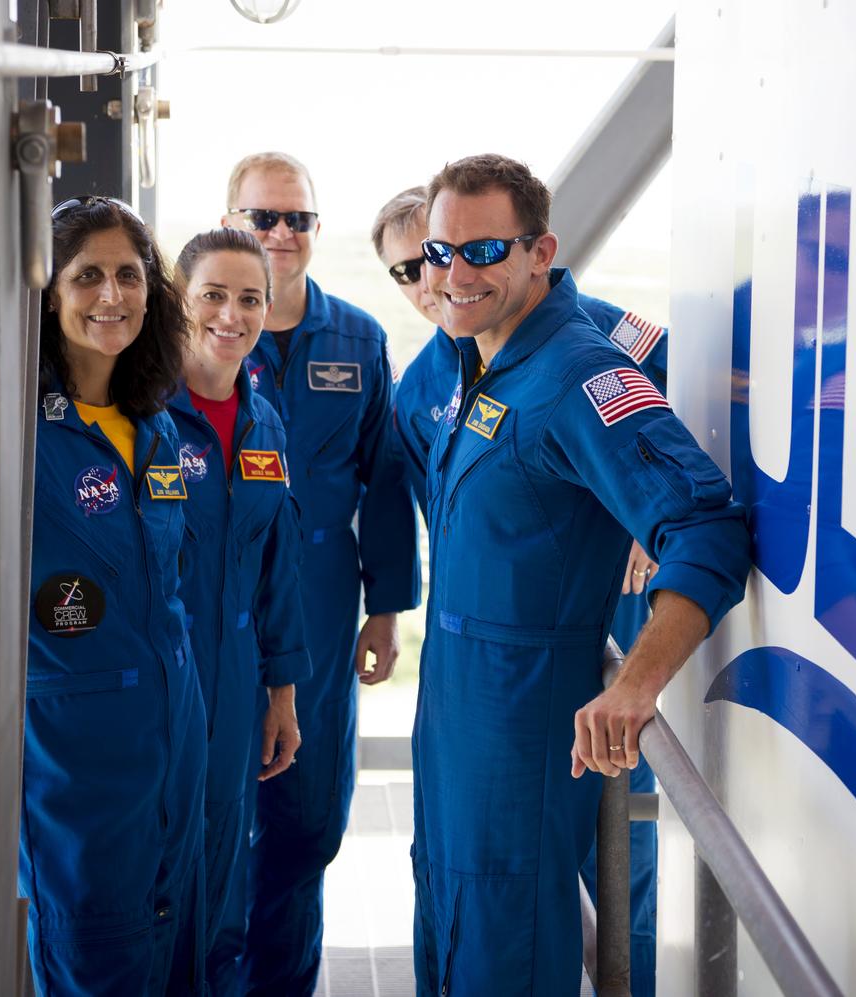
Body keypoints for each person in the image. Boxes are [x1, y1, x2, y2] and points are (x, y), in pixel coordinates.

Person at [410, 154, 751, 997]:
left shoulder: (578, 374)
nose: (456, 273)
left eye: (484, 251)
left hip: (523, 711)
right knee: (450, 912)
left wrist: (636, 683)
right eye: (439, 252)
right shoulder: (480, 359)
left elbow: (704, 523)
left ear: (540, 250)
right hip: (455, 703)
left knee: (509, 943)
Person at [372, 184, 667, 992]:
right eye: (414, 269)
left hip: (589, 624)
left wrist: (646, 524)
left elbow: (680, 426)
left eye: (468, 253)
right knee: (460, 874)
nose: (437, 279)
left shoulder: (592, 340)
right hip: (469, 659)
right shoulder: (426, 383)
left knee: (616, 847)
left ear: (530, 252)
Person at [219, 151, 421, 993]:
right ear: (229, 224)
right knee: (222, 817)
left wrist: (387, 606)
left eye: (296, 218)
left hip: (326, 606)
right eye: (261, 218)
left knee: (308, 820)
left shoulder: (358, 338)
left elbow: (385, 480)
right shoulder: (203, 338)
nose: (279, 234)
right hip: (221, 608)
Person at [22, 195, 206, 994]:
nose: (111, 295)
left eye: (129, 275)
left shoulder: (156, 425)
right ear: (48, 293)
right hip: (76, 754)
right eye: (87, 275)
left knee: (175, 957)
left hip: (174, 740)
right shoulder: (20, 432)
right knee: (95, 957)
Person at [168, 228, 314, 993]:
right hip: (156, 689)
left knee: (222, 896)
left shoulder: (264, 422)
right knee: (149, 895)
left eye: (249, 298)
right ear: (180, 301)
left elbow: (276, 569)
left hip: (234, 684)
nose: (233, 314)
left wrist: (283, 691)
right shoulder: (141, 418)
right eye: (213, 295)